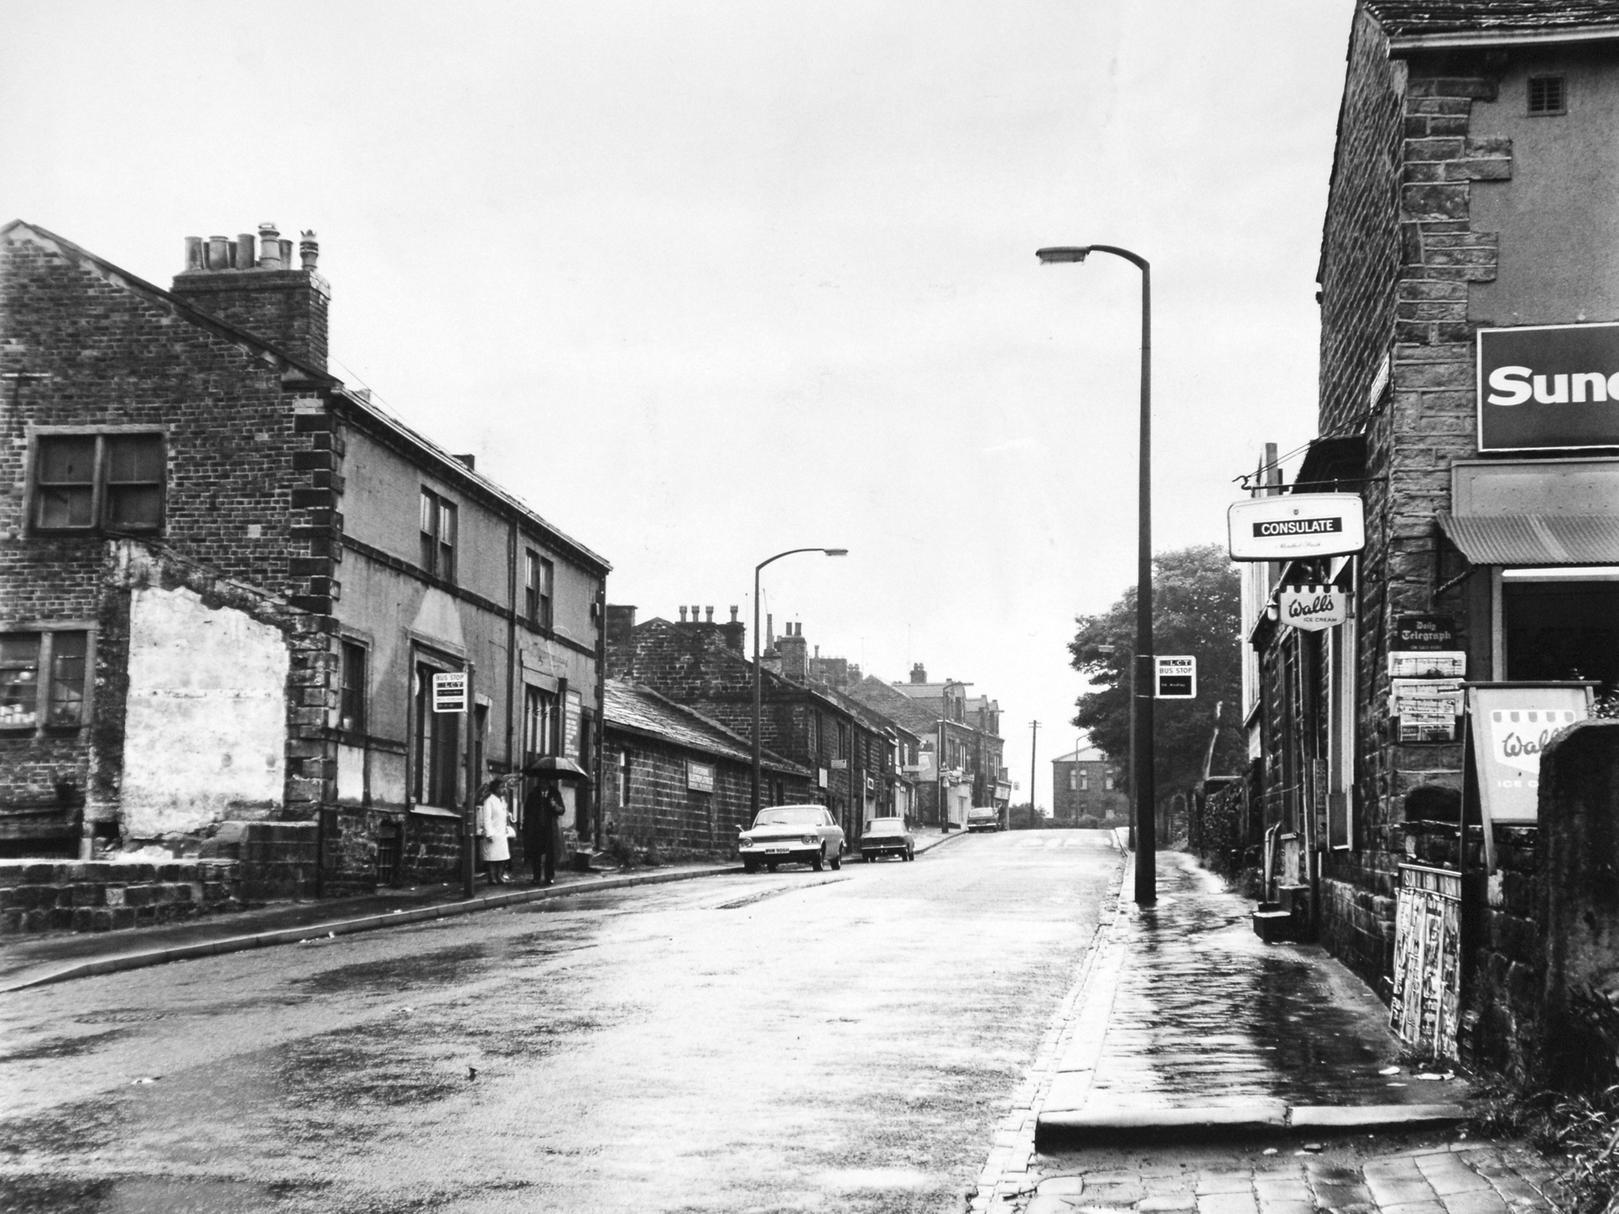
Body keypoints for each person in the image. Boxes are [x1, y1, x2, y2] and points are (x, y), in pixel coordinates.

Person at [524, 781, 565, 885]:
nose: (544, 786)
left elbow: (562, 810)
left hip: (550, 829)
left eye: (546, 784)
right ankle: (536, 877)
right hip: (536, 829)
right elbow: (527, 811)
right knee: (536, 854)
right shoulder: (533, 794)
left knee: (550, 854)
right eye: (542, 783)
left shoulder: (555, 794)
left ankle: (549, 876)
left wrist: (554, 805)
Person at [475, 780, 512, 885]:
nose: (503, 790)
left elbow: (504, 816)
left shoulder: (503, 801)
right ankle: (492, 877)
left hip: (502, 832)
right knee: (492, 858)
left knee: (502, 857)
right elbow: (487, 818)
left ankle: (499, 876)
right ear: (495, 789)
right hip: (493, 832)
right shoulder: (489, 801)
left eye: (504, 787)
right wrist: (489, 833)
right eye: (501, 787)